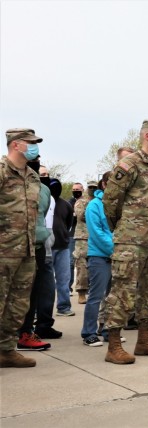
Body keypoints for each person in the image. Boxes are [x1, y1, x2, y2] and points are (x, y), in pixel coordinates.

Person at [101, 119, 148, 364]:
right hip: (131, 240)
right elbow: (111, 202)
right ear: (147, 136)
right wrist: (123, 228)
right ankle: (113, 345)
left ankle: (144, 340)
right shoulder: (128, 164)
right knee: (122, 292)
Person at [0, 128, 43, 368]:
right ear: (16, 145)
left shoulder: (32, 176)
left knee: (18, 305)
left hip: (26, 251)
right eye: (31, 142)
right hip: (3, 250)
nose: (35, 146)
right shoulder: (1, 171)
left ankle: (6, 350)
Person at [16, 157, 57, 351]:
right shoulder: (7, 180)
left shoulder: (44, 190)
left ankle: (25, 334)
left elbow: (42, 215)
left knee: (32, 294)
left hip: (37, 246)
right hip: (11, 246)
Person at [82, 172, 114, 347]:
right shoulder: (94, 205)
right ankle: (88, 332)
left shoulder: (118, 205)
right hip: (100, 256)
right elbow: (97, 232)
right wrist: (115, 249)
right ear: (104, 184)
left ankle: (108, 330)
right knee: (96, 295)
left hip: (117, 256)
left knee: (112, 297)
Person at [49, 178, 75, 316]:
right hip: (46, 247)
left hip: (63, 247)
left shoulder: (66, 205)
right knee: (44, 282)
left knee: (64, 279)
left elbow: (69, 223)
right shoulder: (43, 202)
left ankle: (64, 307)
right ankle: (38, 311)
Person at [72, 180, 97, 309]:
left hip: (96, 237)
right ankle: (81, 292)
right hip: (83, 237)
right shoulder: (82, 201)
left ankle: (94, 291)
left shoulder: (100, 200)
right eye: (90, 187)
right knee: (82, 265)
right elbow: (81, 216)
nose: (92, 189)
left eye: (95, 187)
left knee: (97, 266)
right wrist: (91, 205)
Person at [68, 182, 83, 300]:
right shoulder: (69, 203)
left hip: (85, 236)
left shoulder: (87, 203)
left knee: (83, 263)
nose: (76, 191)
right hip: (71, 235)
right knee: (70, 262)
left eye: (78, 189)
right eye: (74, 189)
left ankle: (85, 287)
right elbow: (69, 219)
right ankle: (68, 287)